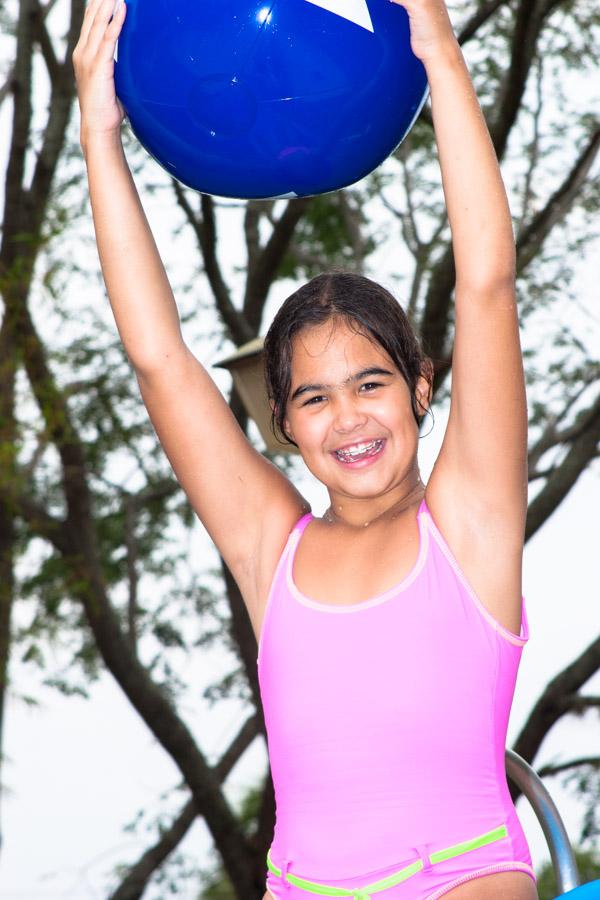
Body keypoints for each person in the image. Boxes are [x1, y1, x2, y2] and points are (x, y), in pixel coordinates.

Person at [73, 1, 538, 898]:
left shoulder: (472, 522)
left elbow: (486, 282)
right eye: (315, 399)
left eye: (371, 385)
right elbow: (157, 356)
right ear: (285, 424)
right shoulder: (269, 552)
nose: (349, 419)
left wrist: (437, 52)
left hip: (462, 879)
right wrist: (98, 129)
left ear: (421, 389)